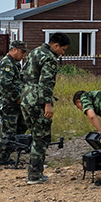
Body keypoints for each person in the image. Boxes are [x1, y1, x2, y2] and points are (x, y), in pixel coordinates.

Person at [20, 32, 70, 185]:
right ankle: (35, 175)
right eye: (63, 49)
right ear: (56, 46)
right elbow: (46, 83)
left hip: (26, 98)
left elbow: (23, 74)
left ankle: (34, 172)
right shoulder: (49, 58)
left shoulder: (35, 52)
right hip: (38, 100)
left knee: (35, 136)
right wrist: (47, 104)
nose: (63, 53)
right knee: (41, 138)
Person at [0, 40, 28, 166]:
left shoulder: (15, 64)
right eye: (22, 52)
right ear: (14, 49)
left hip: (16, 103)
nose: (23, 55)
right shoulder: (7, 63)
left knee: (21, 126)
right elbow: (6, 83)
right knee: (8, 131)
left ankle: (14, 151)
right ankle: (3, 157)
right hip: (9, 103)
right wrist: (17, 97)